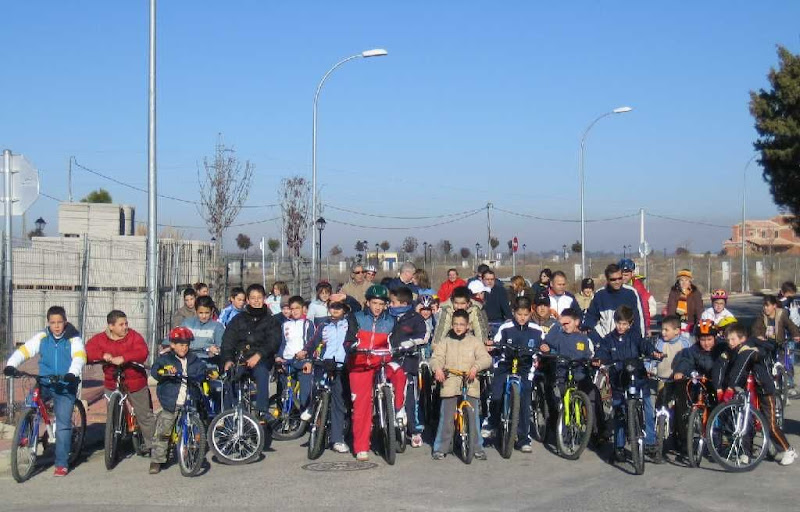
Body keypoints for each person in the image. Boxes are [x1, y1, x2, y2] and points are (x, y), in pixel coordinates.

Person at [4, 306, 86, 477]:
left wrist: (72, 373)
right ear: (48, 323)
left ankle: (61, 463)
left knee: (63, 424)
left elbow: (79, 356)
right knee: (29, 405)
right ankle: (27, 438)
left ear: (65, 322)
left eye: (59, 322)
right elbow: (24, 351)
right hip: (45, 382)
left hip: (65, 384)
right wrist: (11, 365)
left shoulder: (73, 339)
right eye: (52, 322)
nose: (56, 326)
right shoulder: (42, 337)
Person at [712, 323, 796, 466]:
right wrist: (718, 388)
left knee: (769, 424)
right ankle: (746, 453)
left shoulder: (748, 349)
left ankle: (788, 449)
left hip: (764, 389)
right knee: (745, 419)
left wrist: (730, 388)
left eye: (733, 339)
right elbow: (719, 366)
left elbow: (739, 368)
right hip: (746, 390)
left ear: (742, 339)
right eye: (728, 339)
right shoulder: (730, 350)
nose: (730, 342)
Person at [593, 305, 661, 463]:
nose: (621, 327)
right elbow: (602, 352)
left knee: (647, 406)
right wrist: (598, 359)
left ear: (630, 324)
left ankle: (650, 442)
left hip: (638, 378)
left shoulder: (635, 336)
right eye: (619, 323)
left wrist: (653, 352)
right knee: (619, 412)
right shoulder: (608, 339)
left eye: (624, 324)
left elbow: (645, 345)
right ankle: (619, 447)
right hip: (618, 380)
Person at [348, 284, 407, 462]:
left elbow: (396, 340)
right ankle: (361, 447)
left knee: (399, 373)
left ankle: (398, 410)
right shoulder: (356, 318)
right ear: (367, 302)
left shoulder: (391, 321)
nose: (378, 307)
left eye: (381, 304)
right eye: (374, 303)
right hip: (360, 363)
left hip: (382, 361)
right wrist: (352, 346)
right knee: (362, 405)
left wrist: (400, 347)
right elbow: (349, 338)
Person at [86, 310, 156, 455]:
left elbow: (142, 352)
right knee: (112, 415)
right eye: (121, 324)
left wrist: (124, 358)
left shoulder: (133, 336)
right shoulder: (101, 339)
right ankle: (113, 445)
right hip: (112, 381)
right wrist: (102, 355)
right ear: (111, 326)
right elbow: (88, 350)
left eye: (126, 324)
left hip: (134, 381)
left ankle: (154, 447)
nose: (125, 327)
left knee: (144, 415)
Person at [430, 309, 493, 460]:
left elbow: (486, 359)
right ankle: (441, 447)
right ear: (451, 325)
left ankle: (477, 447)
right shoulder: (445, 342)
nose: (458, 327)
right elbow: (436, 358)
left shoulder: (474, 342)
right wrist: (437, 369)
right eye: (455, 324)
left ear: (468, 326)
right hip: (450, 380)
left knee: (473, 416)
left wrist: (476, 367)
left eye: (462, 324)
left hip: (470, 381)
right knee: (446, 417)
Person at [486, 297, 544, 452]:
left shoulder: (537, 330)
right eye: (519, 314)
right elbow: (497, 343)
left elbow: (543, 346)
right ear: (513, 312)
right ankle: (492, 422)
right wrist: (492, 346)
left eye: (525, 314)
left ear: (530, 313)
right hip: (506, 364)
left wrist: (544, 348)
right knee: (496, 393)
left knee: (525, 400)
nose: (522, 318)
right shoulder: (506, 327)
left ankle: (524, 438)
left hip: (525, 367)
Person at [148, 327, 206, 474]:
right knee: (164, 430)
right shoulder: (166, 359)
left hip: (190, 400)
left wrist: (205, 374)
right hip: (171, 401)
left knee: (195, 428)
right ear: (173, 345)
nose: (184, 348)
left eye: (186, 345)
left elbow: (202, 370)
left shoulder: (194, 359)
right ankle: (157, 460)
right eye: (180, 345)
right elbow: (155, 370)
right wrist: (164, 371)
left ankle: (191, 451)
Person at [302, 300, 357, 454]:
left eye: (339, 307)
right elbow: (313, 341)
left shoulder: (349, 323)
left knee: (339, 402)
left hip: (341, 365)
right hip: (326, 362)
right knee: (317, 385)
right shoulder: (323, 325)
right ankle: (312, 407)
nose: (335, 310)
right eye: (332, 307)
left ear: (344, 309)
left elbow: (357, 310)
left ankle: (337, 439)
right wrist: (305, 351)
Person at [221, 284, 281, 420]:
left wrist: (258, 355)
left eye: (259, 297)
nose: (256, 301)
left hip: (261, 359)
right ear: (247, 300)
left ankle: (262, 411)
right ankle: (232, 415)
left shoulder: (271, 320)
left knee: (261, 373)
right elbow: (228, 341)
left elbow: (273, 342)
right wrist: (228, 359)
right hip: (241, 358)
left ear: (264, 299)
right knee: (231, 376)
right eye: (253, 298)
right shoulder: (238, 319)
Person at [542, 308, 603, 436]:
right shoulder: (559, 336)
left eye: (567, 323)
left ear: (576, 322)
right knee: (562, 400)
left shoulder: (583, 339)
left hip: (580, 374)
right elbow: (547, 341)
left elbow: (587, 355)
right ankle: (563, 433)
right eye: (562, 324)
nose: (564, 326)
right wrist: (557, 324)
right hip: (563, 374)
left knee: (593, 395)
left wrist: (592, 362)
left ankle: (597, 432)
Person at [388, 286, 428, 447]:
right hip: (389, 361)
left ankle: (414, 430)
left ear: (404, 303)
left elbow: (424, 336)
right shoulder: (387, 317)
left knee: (410, 397)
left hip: (408, 362)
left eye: (393, 303)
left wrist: (410, 343)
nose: (390, 305)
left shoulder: (415, 318)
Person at [582, 263, 645, 347]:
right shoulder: (599, 295)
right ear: (607, 279)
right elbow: (590, 317)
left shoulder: (631, 293)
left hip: (626, 344)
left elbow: (638, 320)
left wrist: (638, 342)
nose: (617, 282)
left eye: (620, 278)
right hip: (604, 342)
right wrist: (593, 335)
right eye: (613, 279)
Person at [276, 295, 315, 420]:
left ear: (303, 309)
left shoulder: (308, 324)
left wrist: (308, 360)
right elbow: (283, 343)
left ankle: (306, 414)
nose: (294, 311)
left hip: (302, 360)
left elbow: (312, 343)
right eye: (292, 309)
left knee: (305, 391)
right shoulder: (285, 325)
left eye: (297, 308)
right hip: (287, 361)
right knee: (286, 392)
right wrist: (278, 357)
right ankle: (288, 417)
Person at [180, 296, 224, 364]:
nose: (204, 316)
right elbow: (176, 341)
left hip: (207, 362)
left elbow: (221, 348)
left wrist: (216, 350)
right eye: (200, 313)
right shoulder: (187, 323)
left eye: (207, 313)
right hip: (187, 361)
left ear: (212, 311)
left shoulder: (217, 327)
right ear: (196, 311)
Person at [619, 259, 653, 335]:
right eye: (622, 275)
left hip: (633, 324)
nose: (623, 277)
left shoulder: (638, 288)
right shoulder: (615, 285)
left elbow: (644, 308)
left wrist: (646, 327)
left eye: (626, 275)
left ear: (632, 274)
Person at [666, 269, 703, 334]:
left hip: (692, 324)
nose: (684, 282)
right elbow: (671, 310)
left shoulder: (695, 293)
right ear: (678, 281)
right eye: (681, 280)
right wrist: (672, 325)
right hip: (678, 324)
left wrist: (698, 326)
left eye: (686, 280)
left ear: (690, 281)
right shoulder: (674, 292)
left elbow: (699, 310)